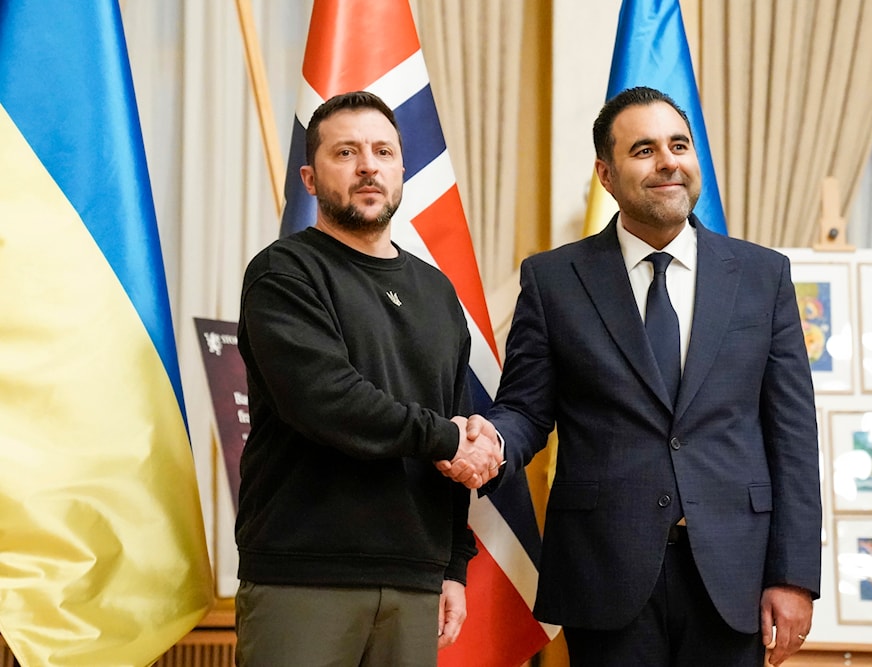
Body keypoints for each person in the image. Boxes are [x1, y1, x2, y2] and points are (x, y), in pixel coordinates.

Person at [463, 86, 821, 666]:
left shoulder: (763, 276)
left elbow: (793, 438)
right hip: (604, 571)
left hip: (734, 572)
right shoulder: (555, 280)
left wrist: (795, 575)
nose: (667, 162)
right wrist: (494, 441)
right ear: (606, 174)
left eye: (679, 145)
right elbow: (528, 409)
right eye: (645, 150)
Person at [234, 91, 502, 667]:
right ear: (309, 177)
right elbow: (329, 401)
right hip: (304, 575)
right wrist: (451, 438)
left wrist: (452, 565)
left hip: (415, 581)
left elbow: (452, 419)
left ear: (403, 169)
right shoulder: (284, 273)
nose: (367, 166)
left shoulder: (437, 291)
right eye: (346, 152)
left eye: (383, 151)